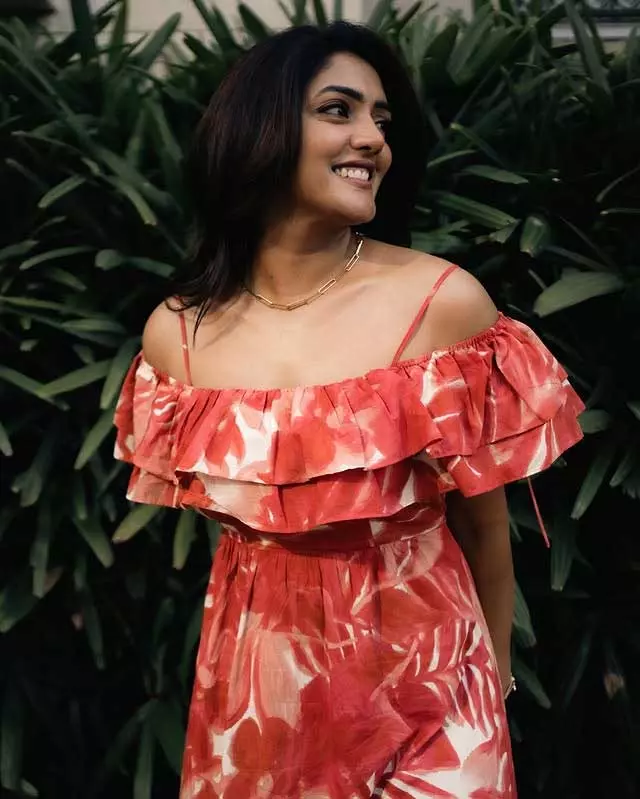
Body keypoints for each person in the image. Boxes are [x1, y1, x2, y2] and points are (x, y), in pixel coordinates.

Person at [114, 21, 584, 799]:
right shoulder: (177, 335)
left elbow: (484, 520)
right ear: (260, 126)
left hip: (432, 683)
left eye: (381, 119)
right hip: (261, 695)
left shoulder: (441, 303)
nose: (372, 138)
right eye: (339, 110)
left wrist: (493, 672)